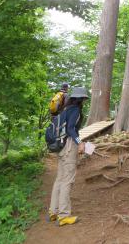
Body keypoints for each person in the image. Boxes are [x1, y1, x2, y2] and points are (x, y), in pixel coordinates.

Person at [48, 86, 89, 226]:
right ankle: (64, 215)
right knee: (68, 180)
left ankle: (53, 212)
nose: (84, 101)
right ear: (81, 99)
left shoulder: (64, 110)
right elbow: (71, 128)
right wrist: (80, 143)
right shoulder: (76, 110)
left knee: (59, 179)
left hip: (59, 146)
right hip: (69, 146)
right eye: (84, 98)